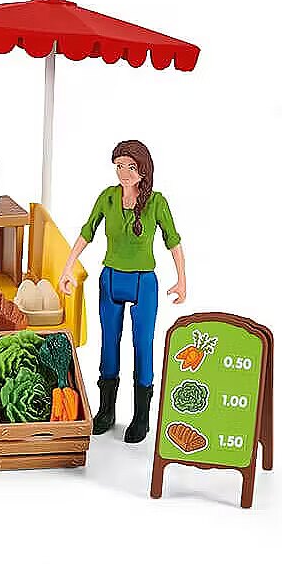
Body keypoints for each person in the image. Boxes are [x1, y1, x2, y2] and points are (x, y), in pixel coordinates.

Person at [59, 140, 186, 443]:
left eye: (130, 166)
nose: (124, 172)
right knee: (108, 345)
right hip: (111, 279)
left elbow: (173, 241)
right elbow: (87, 231)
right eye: (119, 166)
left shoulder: (156, 202)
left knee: (143, 346)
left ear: (144, 169)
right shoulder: (108, 197)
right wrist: (68, 266)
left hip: (144, 283)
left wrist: (182, 280)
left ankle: (141, 417)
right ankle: (106, 410)